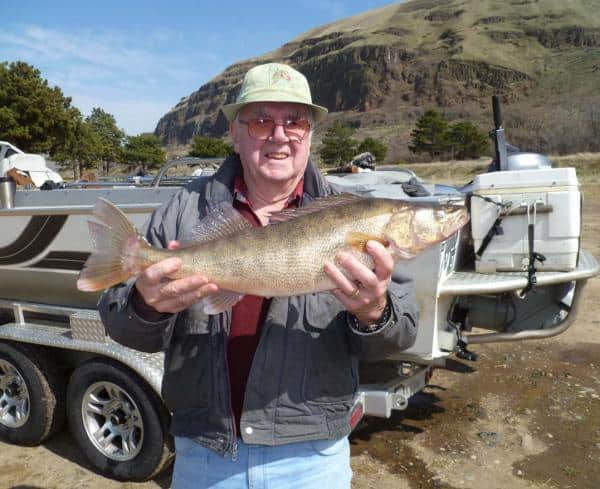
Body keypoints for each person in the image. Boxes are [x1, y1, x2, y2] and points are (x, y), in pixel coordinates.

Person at [99, 63, 418, 489]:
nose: (279, 135)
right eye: (261, 121)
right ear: (234, 132)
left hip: (312, 457)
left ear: (310, 133)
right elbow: (123, 328)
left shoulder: (352, 214)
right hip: (205, 454)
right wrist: (144, 305)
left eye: (295, 121)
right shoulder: (184, 210)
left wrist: (375, 312)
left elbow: (401, 334)